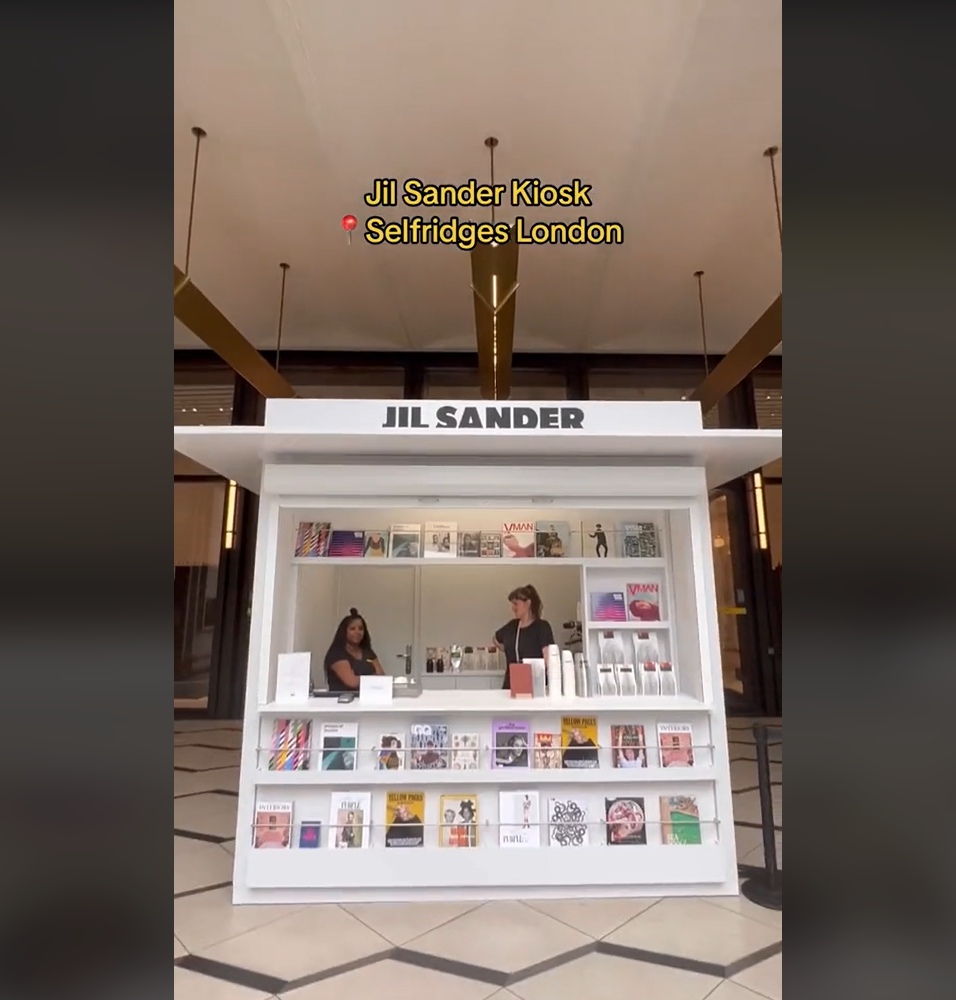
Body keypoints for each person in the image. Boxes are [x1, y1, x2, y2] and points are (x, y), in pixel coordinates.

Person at [491, 585, 555, 690]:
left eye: (516, 604)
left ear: (528, 604)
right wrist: (505, 648)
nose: (513, 608)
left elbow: (548, 657)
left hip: (535, 686)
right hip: (510, 686)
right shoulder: (512, 626)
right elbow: (495, 638)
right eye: (512, 604)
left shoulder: (542, 627)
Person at [322, 608, 386, 691]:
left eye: (360, 629)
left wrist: (363, 678)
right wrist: (373, 677)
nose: (357, 632)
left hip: (368, 698)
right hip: (341, 701)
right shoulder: (336, 654)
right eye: (352, 629)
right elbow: (352, 682)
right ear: (344, 632)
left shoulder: (368, 652)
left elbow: (382, 677)